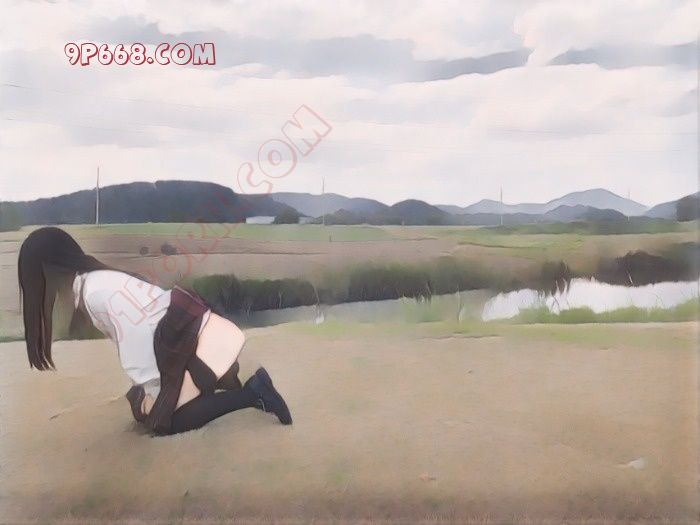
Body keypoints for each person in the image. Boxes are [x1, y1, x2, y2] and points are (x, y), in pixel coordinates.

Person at [17, 226, 292, 435]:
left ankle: (254, 393)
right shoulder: (93, 285)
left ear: (48, 272)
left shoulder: (95, 292)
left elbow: (136, 340)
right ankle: (216, 380)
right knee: (141, 405)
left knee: (166, 421)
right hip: (182, 341)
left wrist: (157, 393)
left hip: (189, 340)